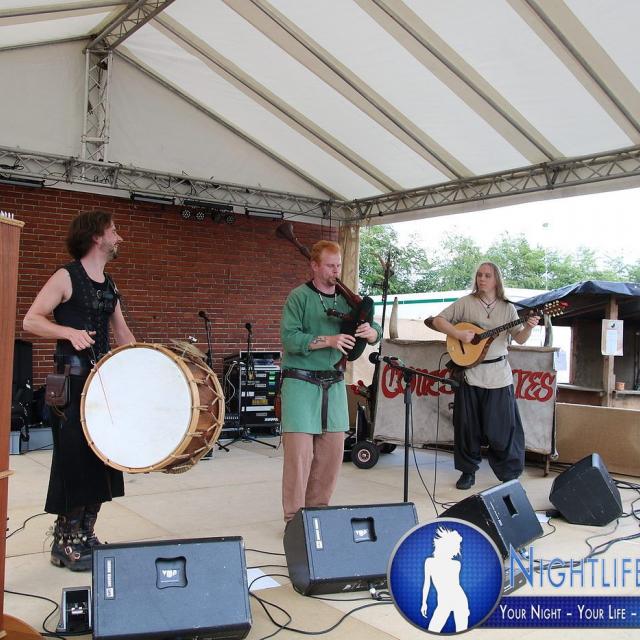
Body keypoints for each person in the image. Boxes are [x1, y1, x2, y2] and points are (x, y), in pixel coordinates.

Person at [23, 209, 135, 570]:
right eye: (113, 231)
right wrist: (68, 332)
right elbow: (31, 320)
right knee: (74, 461)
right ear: (96, 236)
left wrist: (144, 365)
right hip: (71, 384)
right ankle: (65, 541)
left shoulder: (110, 284)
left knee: (103, 459)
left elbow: (122, 333)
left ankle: (86, 534)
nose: (119, 237)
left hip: (103, 384)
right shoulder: (65, 276)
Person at [280, 240, 381, 523]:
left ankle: (318, 515)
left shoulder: (347, 299)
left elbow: (374, 326)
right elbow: (289, 339)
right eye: (329, 265)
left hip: (334, 384)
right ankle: (294, 520)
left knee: (332, 454)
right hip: (300, 383)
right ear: (314, 266)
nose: (336, 271)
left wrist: (372, 332)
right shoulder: (298, 297)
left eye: (338, 265)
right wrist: (329, 340)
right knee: (299, 457)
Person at [431, 262, 539, 490]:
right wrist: (458, 333)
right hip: (470, 374)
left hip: (499, 375)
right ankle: (467, 472)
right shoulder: (466, 303)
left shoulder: (508, 308)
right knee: (467, 427)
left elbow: (519, 339)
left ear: (496, 279)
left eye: (487, 275)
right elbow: (437, 320)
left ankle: (509, 475)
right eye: (479, 275)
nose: (482, 279)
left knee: (503, 428)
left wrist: (529, 327)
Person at [421, 527, 469, 632]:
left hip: (459, 600)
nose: (456, 551)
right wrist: (424, 603)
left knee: (461, 632)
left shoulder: (456, 564)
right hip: (444, 602)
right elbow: (426, 584)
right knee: (433, 629)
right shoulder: (429, 562)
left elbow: (456, 585)